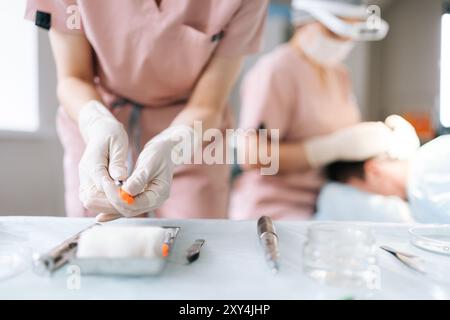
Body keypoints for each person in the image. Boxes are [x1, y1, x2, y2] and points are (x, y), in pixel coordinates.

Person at [25, 0, 269, 221]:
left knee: (194, 244)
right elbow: (73, 78)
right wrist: (97, 124)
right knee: (99, 242)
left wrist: (174, 143)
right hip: (99, 113)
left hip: (194, 132)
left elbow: (208, 103)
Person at [229, 0, 391, 220]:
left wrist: (380, 141)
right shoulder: (276, 71)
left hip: (326, 202)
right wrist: (328, 148)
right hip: (274, 211)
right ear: (304, 21)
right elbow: (252, 156)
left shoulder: (339, 74)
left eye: (351, 31)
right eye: (336, 32)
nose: (346, 41)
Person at [326, 116, 450, 223]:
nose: (371, 195)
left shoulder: (435, 166)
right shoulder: (418, 200)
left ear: (373, 171)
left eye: (362, 189)